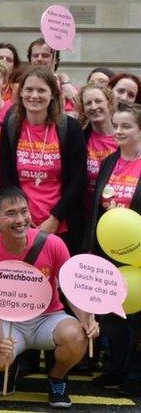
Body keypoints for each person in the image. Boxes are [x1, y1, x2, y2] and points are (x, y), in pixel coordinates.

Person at [0, 185, 99, 407]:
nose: (20, 219)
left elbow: (69, 286)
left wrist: (86, 318)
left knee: (77, 336)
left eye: (24, 211)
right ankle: (10, 364)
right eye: (11, 214)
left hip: (47, 317)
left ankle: (57, 378)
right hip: (8, 320)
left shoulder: (52, 243)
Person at [0, 66, 87, 253]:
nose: (34, 95)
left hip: (61, 224)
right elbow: (6, 176)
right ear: (21, 92)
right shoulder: (12, 125)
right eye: (29, 89)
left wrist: (55, 218)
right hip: (22, 224)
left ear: (53, 94)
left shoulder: (69, 128)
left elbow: (78, 180)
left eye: (41, 90)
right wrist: (21, 217)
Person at [87, 102, 141, 396]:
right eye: (116, 125)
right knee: (113, 315)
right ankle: (117, 368)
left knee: (137, 315)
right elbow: (98, 207)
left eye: (126, 126)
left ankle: (135, 373)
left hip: (138, 253)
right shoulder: (109, 162)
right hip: (109, 250)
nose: (118, 131)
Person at [80, 84, 117, 208]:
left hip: (119, 212)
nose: (94, 107)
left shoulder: (125, 139)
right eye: (88, 103)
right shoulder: (79, 138)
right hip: (86, 214)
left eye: (98, 101)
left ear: (110, 103)